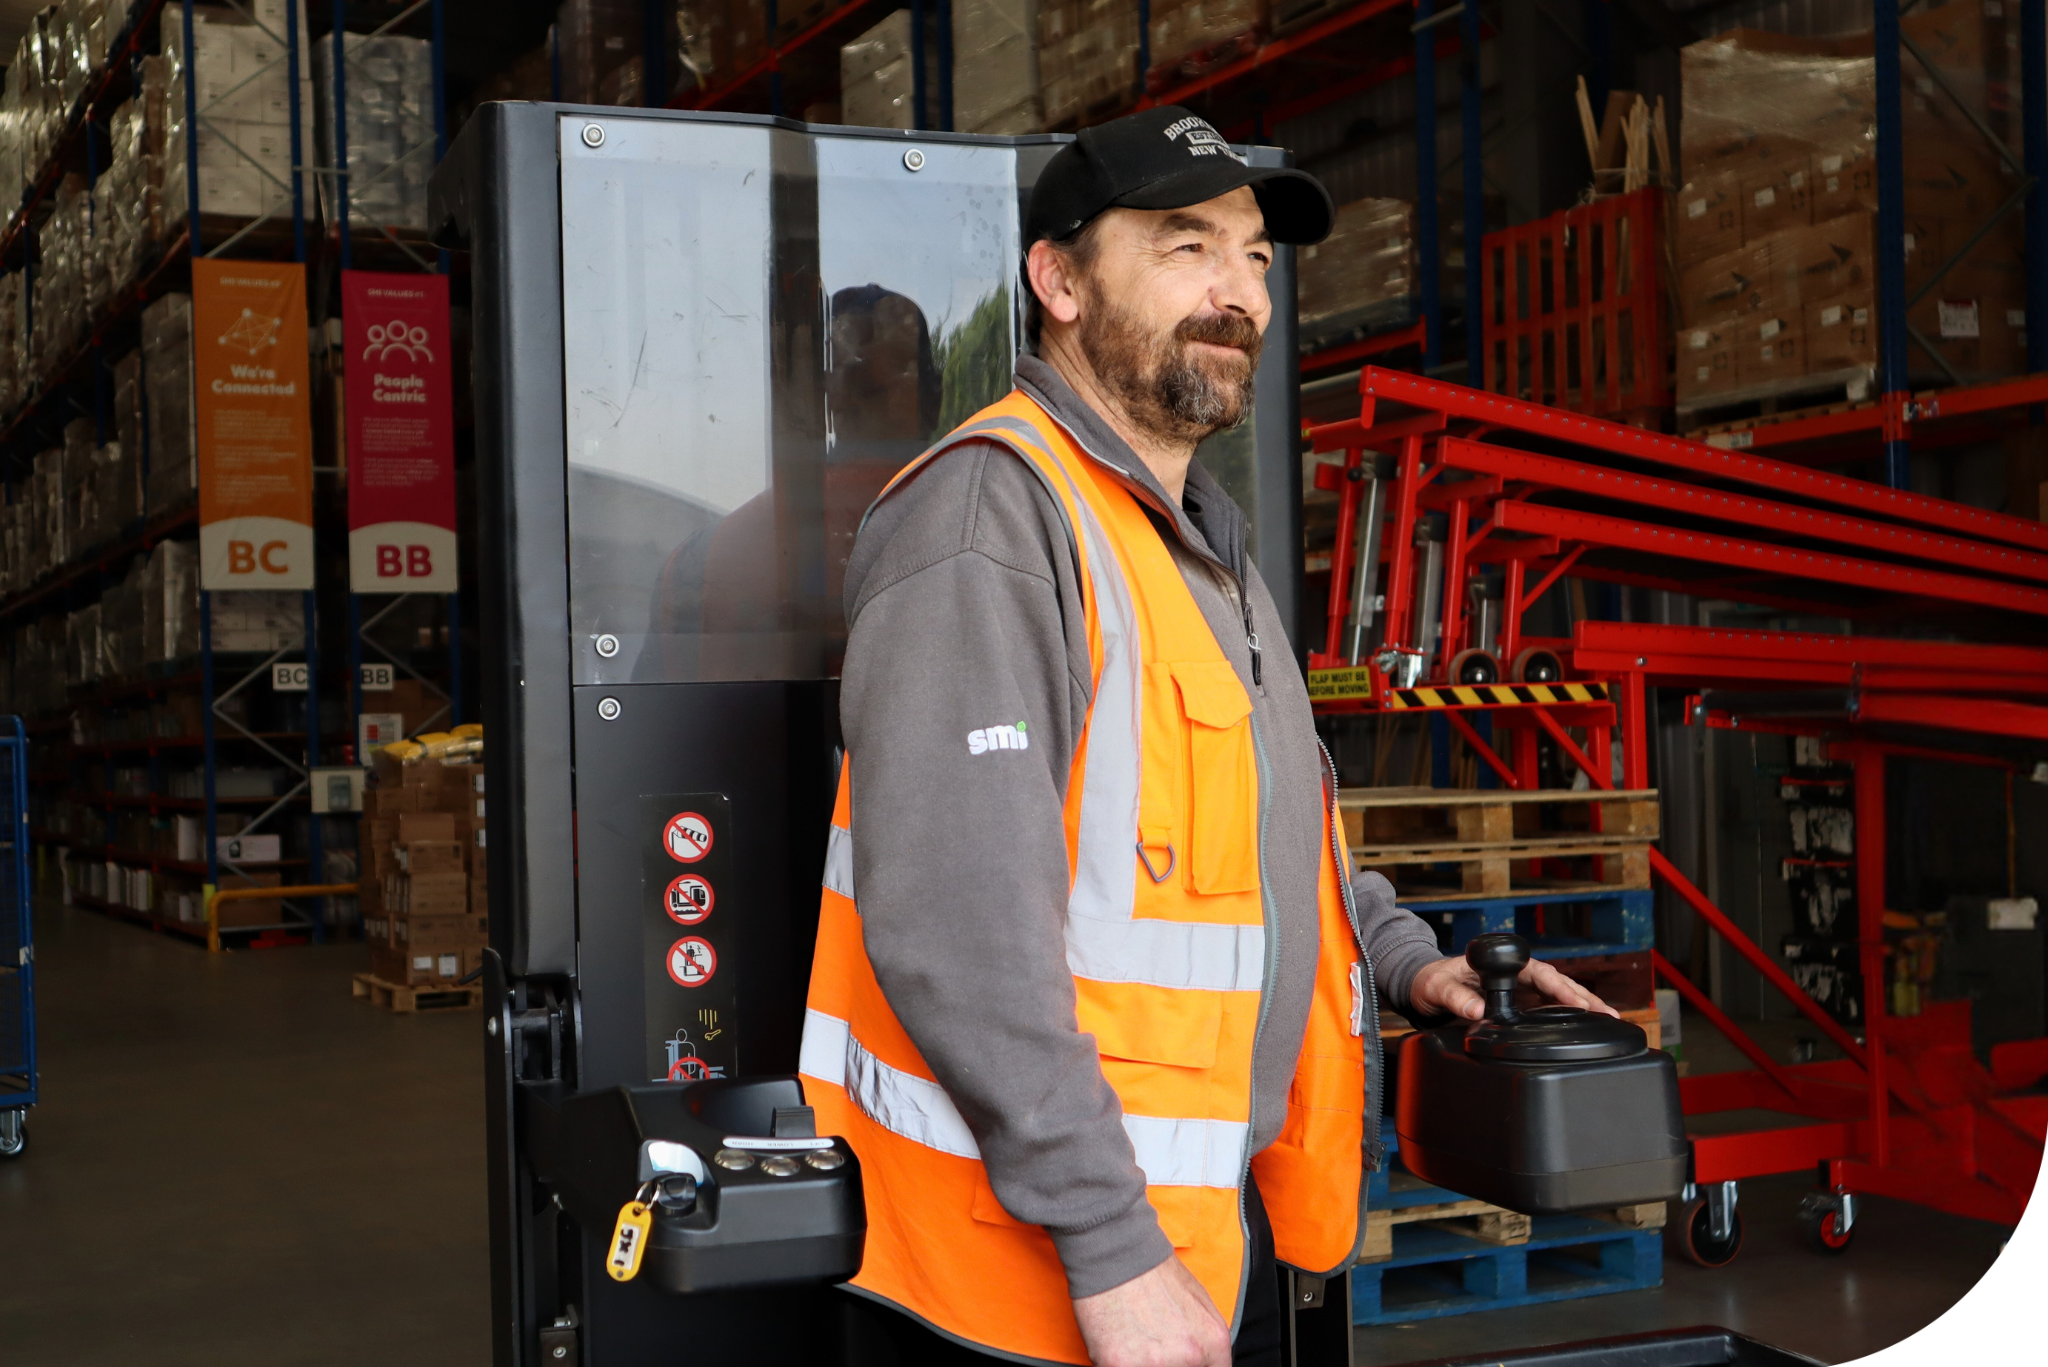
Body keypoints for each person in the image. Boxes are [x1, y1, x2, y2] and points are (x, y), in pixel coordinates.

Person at [798, 107, 1614, 1367]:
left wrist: (1405, 958)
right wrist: (1110, 1246)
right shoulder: (989, 522)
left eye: (1254, 258)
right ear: (1058, 281)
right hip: (1034, 1284)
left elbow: (1255, 835)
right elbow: (958, 930)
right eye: (1185, 247)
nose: (1237, 293)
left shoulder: (1194, 542)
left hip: (1190, 1237)